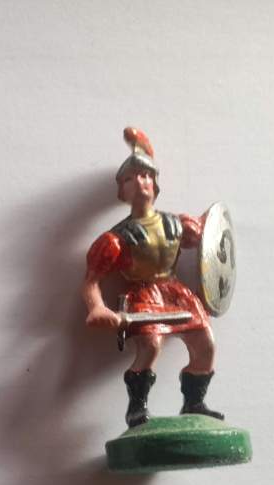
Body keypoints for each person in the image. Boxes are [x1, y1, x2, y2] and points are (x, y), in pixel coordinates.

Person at [82, 127, 224, 428]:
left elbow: (213, 245)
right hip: (143, 295)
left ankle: (194, 403)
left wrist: (210, 232)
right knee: (150, 347)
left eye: (146, 176)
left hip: (176, 293)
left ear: (155, 184)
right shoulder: (116, 239)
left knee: (206, 345)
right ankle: (137, 408)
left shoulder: (176, 224)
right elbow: (91, 281)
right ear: (122, 190)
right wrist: (97, 308)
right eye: (131, 178)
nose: (140, 182)